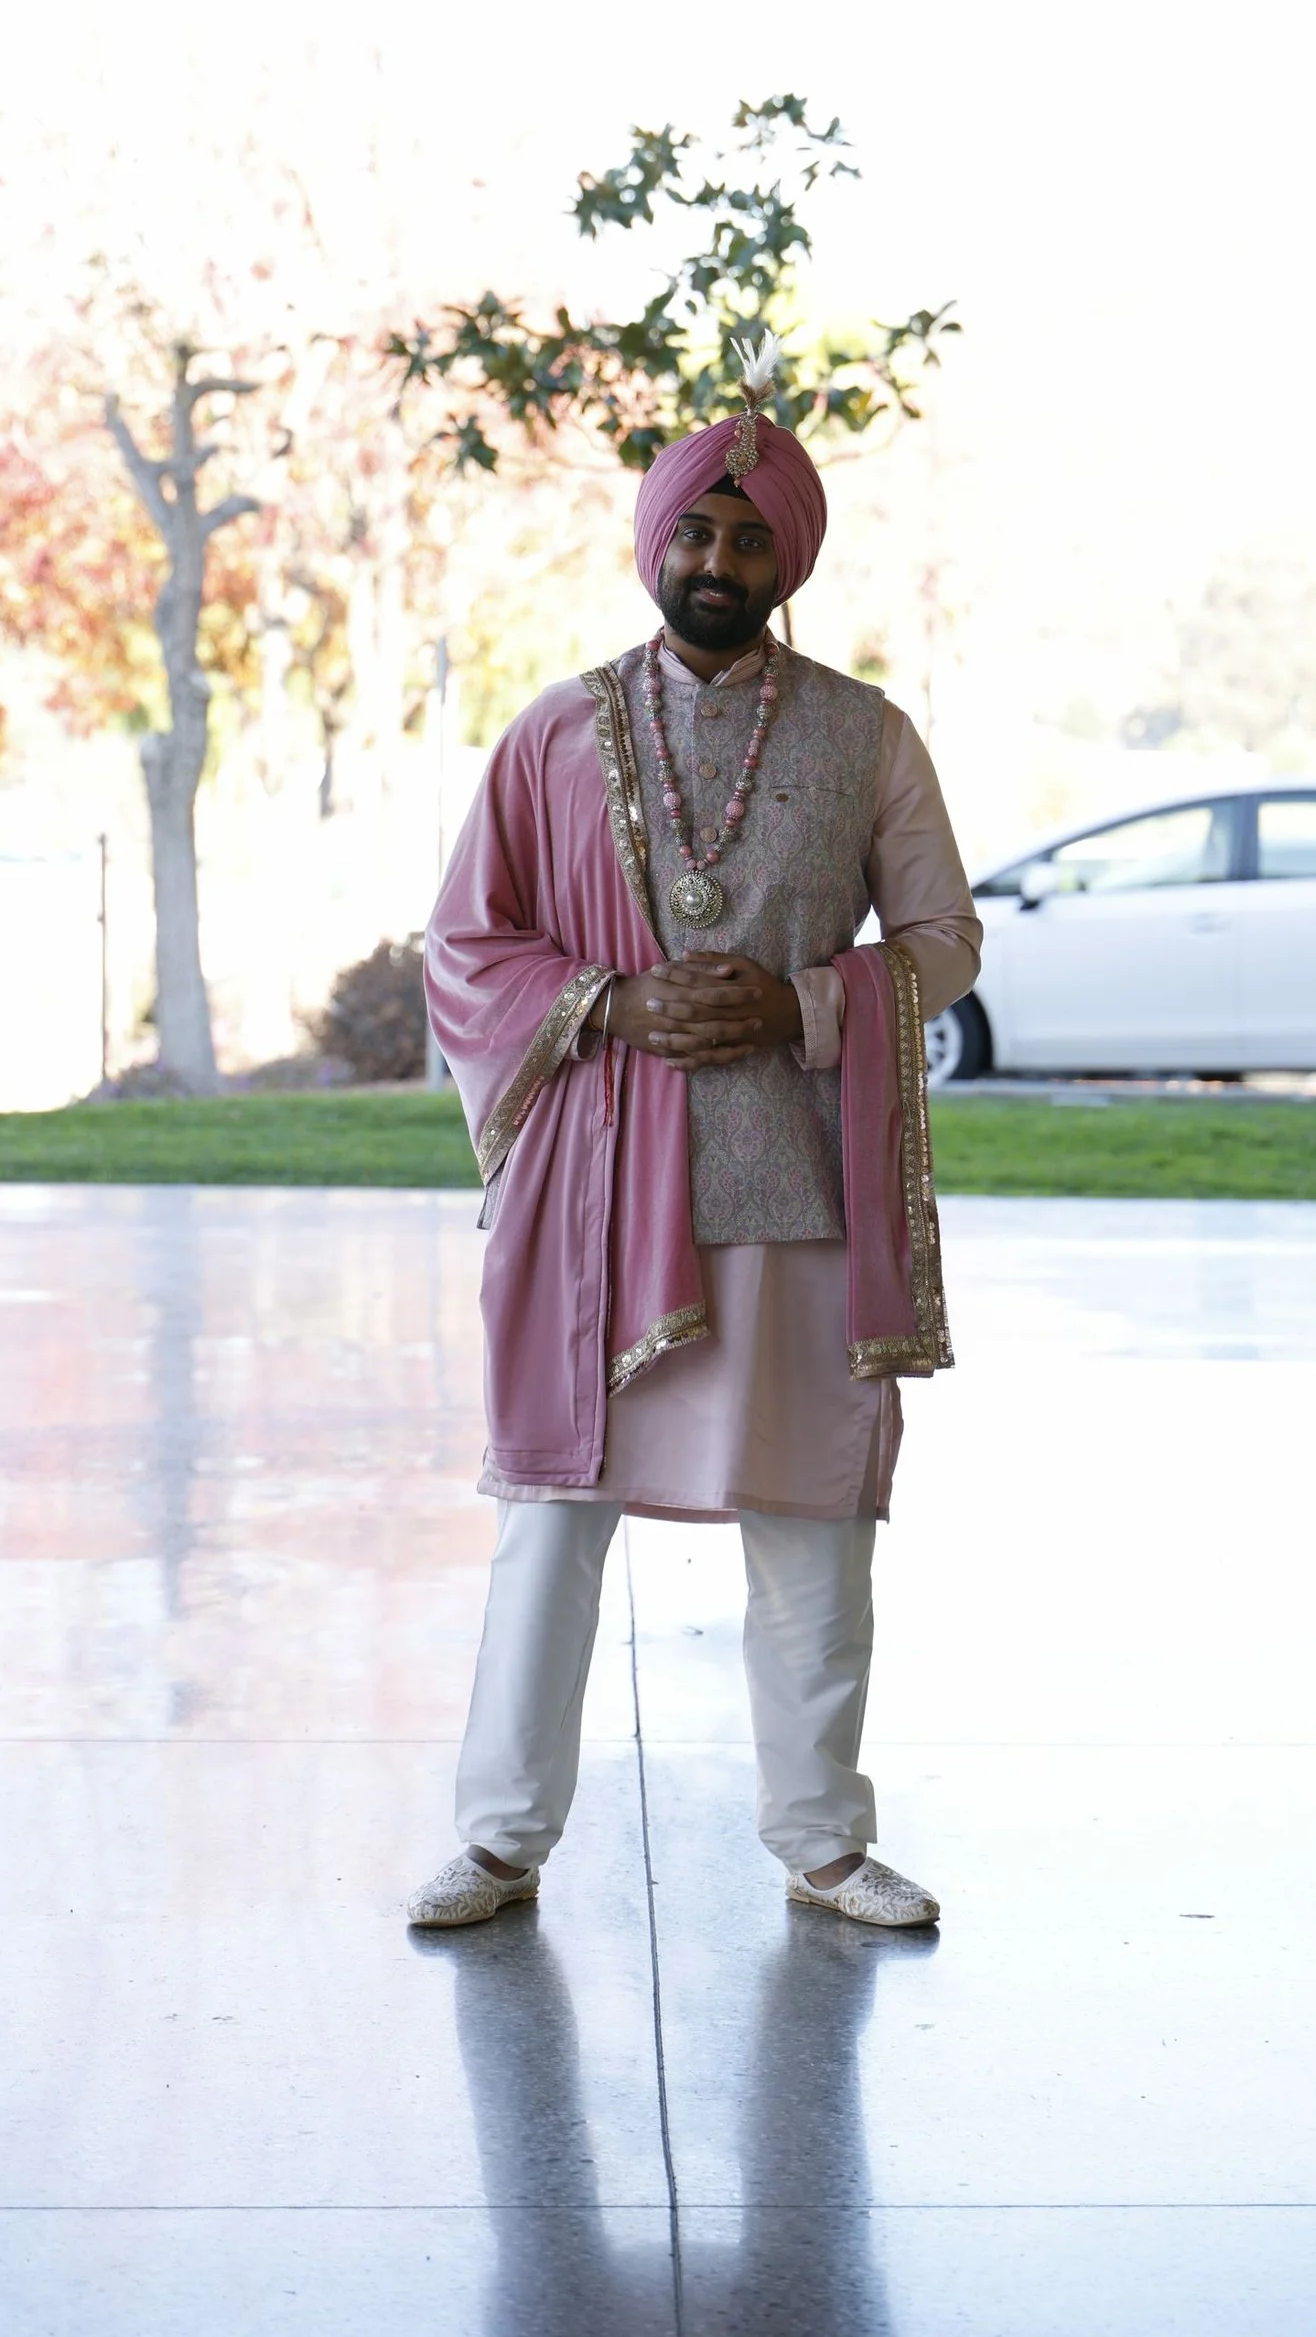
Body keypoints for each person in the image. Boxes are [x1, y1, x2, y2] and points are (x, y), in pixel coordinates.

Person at [411, 392, 980, 1933]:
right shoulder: (551, 733)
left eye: (749, 537)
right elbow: (470, 946)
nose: (720, 559)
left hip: (794, 1181)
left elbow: (943, 943)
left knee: (809, 1518)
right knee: (554, 1518)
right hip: (599, 1191)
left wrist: (807, 1005)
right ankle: (501, 1836)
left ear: (787, 559)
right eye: (698, 533)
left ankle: (824, 1840)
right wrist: (608, 997)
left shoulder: (868, 737)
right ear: (655, 546)